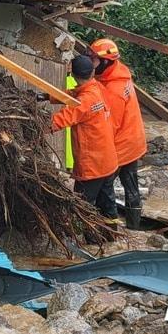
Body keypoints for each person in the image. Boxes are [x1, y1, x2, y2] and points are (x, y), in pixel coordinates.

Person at [49, 55, 119, 218]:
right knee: (107, 204)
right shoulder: (97, 89)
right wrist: (47, 96)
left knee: (82, 209)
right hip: (108, 162)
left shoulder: (83, 102)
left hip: (92, 166)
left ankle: (83, 240)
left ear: (72, 75)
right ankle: (110, 238)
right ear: (92, 72)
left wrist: (34, 123)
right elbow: (74, 94)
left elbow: (59, 120)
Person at [91, 39, 148, 229]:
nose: (91, 62)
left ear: (105, 62)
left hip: (122, 144)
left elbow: (109, 125)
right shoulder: (119, 73)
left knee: (103, 187)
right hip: (134, 140)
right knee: (131, 185)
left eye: (94, 59)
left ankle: (109, 228)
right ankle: (134, 228)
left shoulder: (114, 89)